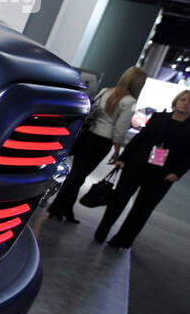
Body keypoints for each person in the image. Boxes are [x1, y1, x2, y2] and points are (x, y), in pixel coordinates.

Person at [94, 89, 190, 249]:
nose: (186, 104)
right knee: (119, 199)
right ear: (176, 101)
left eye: (189, 102)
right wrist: (123, 158)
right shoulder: (159, 117)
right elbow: (140, 138)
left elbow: (189, 155)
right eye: (183, 100)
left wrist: (177, 173)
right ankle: (102, 230)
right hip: (137, 164)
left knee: (143, 208)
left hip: (163, 173)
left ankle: (122, 240)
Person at [47, 66, 145, 222]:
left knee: (77, 174)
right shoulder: (130, 102)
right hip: (102, 142)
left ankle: (65, 209)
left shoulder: (106, 91)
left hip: (88, 136)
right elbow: (120, 129)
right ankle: (57, 208)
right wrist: (117, 150)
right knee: (78, 176)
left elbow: (91, 111)